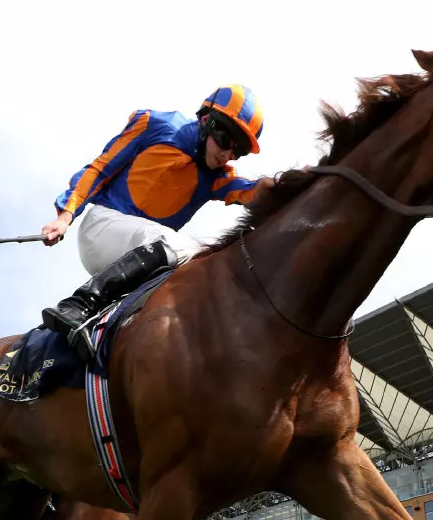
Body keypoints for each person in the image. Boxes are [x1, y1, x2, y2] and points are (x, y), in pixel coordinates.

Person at [39, 85, 274, 357]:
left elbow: (255, 191)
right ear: (206, 121)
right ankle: (77, 305)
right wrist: (66, 215)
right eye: (224, 141)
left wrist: (294, 183)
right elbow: (101, 168)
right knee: (192, 250)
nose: (227, 155)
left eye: (238, 151)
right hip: (101, 228)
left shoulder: (218, 178)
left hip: (140, 260)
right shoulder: (155, 124)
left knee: (200, 270)